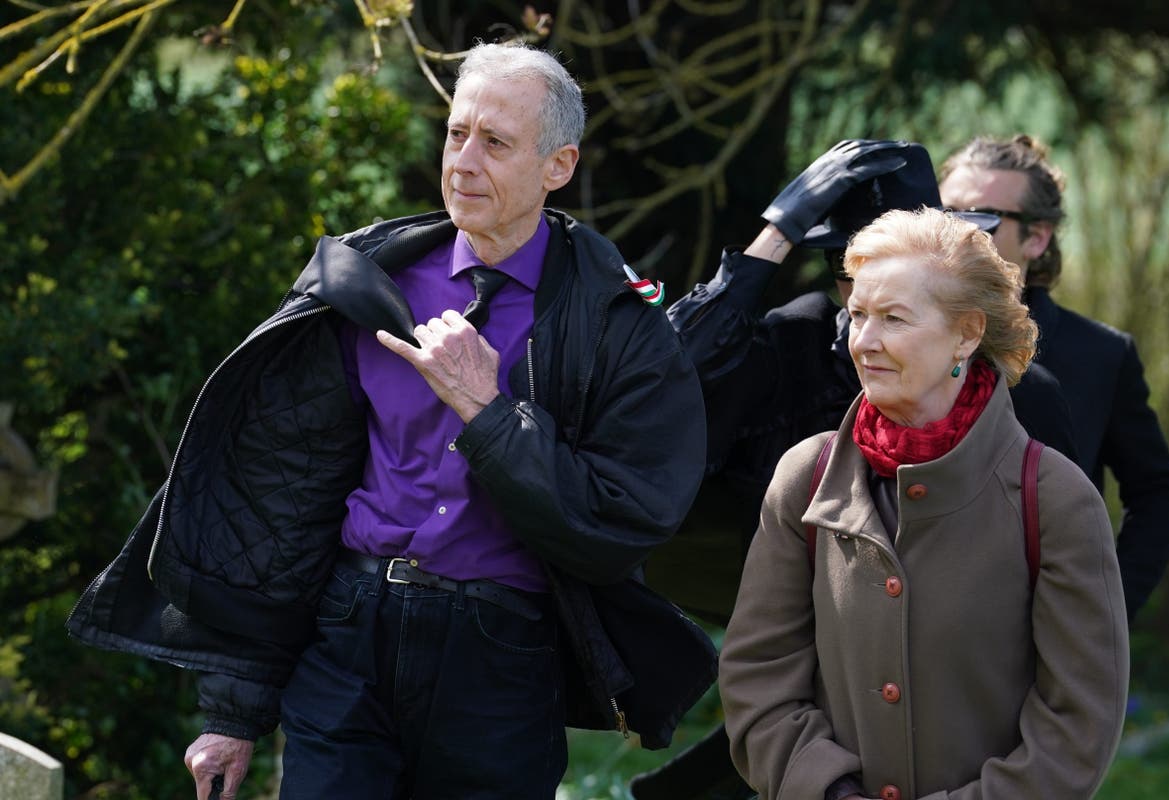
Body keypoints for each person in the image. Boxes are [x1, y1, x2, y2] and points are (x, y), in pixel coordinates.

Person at [66, 42, 714, 800]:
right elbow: (285, 499)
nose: (463, 162)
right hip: (346, 635)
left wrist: (487, 410)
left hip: (500, 659)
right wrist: (232, 710)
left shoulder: (617, 323)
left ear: (559, 166)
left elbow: (619, 520)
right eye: (455, 133)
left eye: (496, 143)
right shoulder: (365, 281)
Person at [631, 140, 1076, 800]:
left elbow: (1056, 614)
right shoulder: (797, 344)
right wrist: (776, 231)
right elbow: (654, 396)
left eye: (897, 278)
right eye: (851, 273)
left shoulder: (1024, 395)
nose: (865, 299)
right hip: (779, 635)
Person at [719, 207, 1129, 800]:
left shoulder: (1056, 499)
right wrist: (828, 792)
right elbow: (759, 676)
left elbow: (1077, 726)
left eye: (893, 318)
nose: (863, 341)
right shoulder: (805, 476)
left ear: (966, 332)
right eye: (856, 314)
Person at [939, 133, 1169, 621]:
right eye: (946, 213)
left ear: (1037, 237)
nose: (957, 233)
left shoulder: (1102, 354)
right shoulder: (896, 335)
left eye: (983, 218)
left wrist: (1105, 609)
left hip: (1041, 635)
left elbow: (1158, 493)